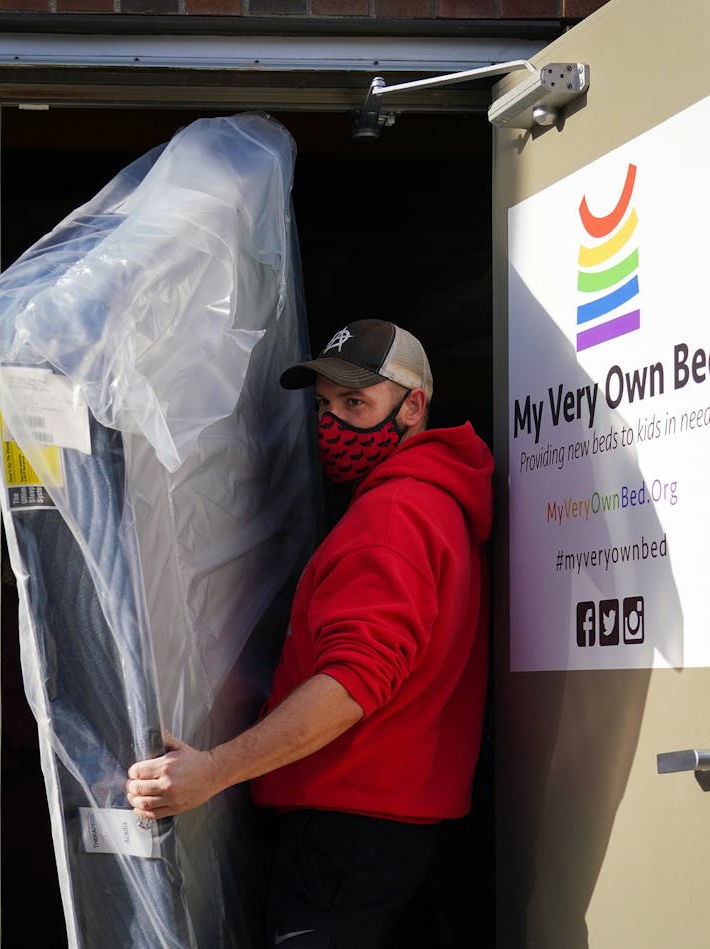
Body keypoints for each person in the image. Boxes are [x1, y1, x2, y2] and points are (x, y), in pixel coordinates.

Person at [127, 318, 494, 949]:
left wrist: (212, 771)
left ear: (413, 407)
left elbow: (352, 683)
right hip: (398, 828)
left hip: (346, 836)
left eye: (357, 403)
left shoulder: (393, 515)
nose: (335, 424)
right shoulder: (436, 504)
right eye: (325, 406)